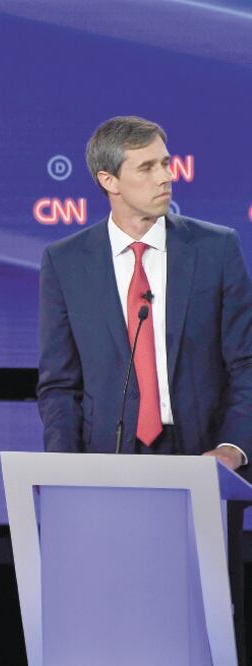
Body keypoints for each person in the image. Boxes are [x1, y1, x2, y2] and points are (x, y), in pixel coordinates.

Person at [37, 116, 252, 660]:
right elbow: (59, 383)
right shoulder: (66, 261)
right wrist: (64, 475)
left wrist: (231, 448)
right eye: (147, 167)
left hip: (199, 460)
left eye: (166, 162)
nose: (165, 176)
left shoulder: (215, 248)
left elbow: (247, 364)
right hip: (106, 466)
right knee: (112, 628)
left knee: (200, 630)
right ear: (108, 180)